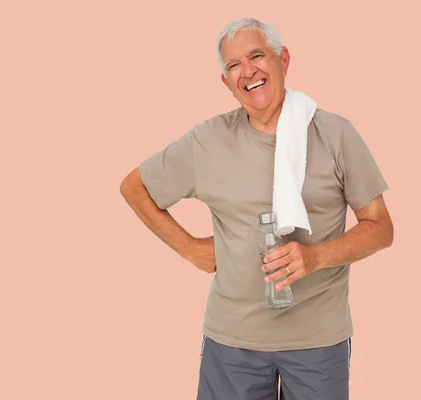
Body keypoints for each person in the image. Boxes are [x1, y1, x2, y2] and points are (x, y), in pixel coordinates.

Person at [119, 17, 394, 400]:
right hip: (232, 341)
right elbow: (134, 187)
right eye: (233, 65)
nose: (248, 72)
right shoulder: (207, 140)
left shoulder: (336, 134)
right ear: (226, 82)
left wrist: (315, 257)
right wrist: (190, 248)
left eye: (257, 55)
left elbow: (380, 227)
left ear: (283, 59)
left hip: (317, 341)